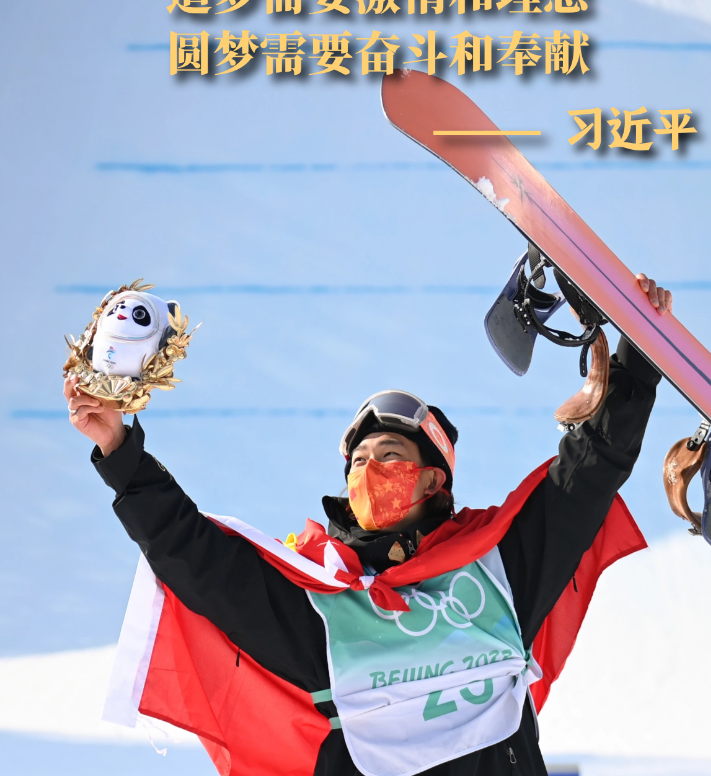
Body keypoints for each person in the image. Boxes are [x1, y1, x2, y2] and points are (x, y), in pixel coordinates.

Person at [66, 273, 672, 776]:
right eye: (357, 462)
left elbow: (588, 473)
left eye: (389, 455)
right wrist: (120, 453)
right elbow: (197, 558)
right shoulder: (322, 603)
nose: (368, 471)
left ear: (433, 481)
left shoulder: (500, 569)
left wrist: (639, 357)